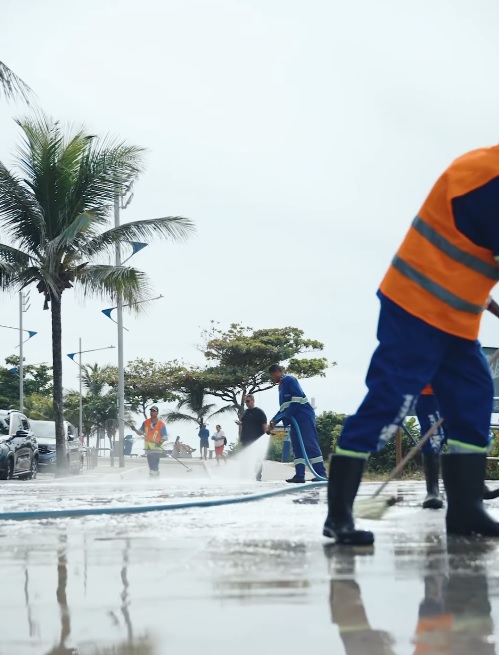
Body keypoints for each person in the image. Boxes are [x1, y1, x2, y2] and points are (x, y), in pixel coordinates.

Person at [323, 145, 499, 546]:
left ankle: (467, 509)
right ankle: (339, 516)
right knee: (389, 403)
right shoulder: (487, 178)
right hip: (415, 309)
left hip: (457, 319)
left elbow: (470, 259)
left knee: (473, 400)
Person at [268, 364, 327, 483]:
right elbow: (284, 408)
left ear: (277, 372)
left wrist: (287, 414)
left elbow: (298, 398)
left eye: (272, 375)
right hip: (294, 420)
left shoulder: (289, 379)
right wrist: (274, 421)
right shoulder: (281, 386)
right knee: (297, 447)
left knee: (309, 444)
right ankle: (300, 475)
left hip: (304, 417)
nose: (272, 378)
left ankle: (321, 473)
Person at [236, 394, 268, 480]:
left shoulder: (260, 412)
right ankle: (245, 476)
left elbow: (264, 426)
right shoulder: (246, 413)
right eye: (245, 401)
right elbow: (243, 423)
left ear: (253, 401)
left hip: (256, 440)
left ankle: (258, 476)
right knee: (245, 459)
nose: (246, 403)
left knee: (257, 459)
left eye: (248, 401)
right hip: (245, 439)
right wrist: (240, 423)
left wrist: (267, 435)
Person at [130, 405, 167, 477]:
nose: (152, 412)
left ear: (157, 413)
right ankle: (154, 475)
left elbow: (165, 436)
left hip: (157, 447)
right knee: (151, 464)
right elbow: (140, 433)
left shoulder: (161, 424)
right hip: (148, 448)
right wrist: (134, 429)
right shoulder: (146, 423)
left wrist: (160, 442)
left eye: (154, 411)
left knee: (154, 463)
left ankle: (153, 476)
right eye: (151, 411)